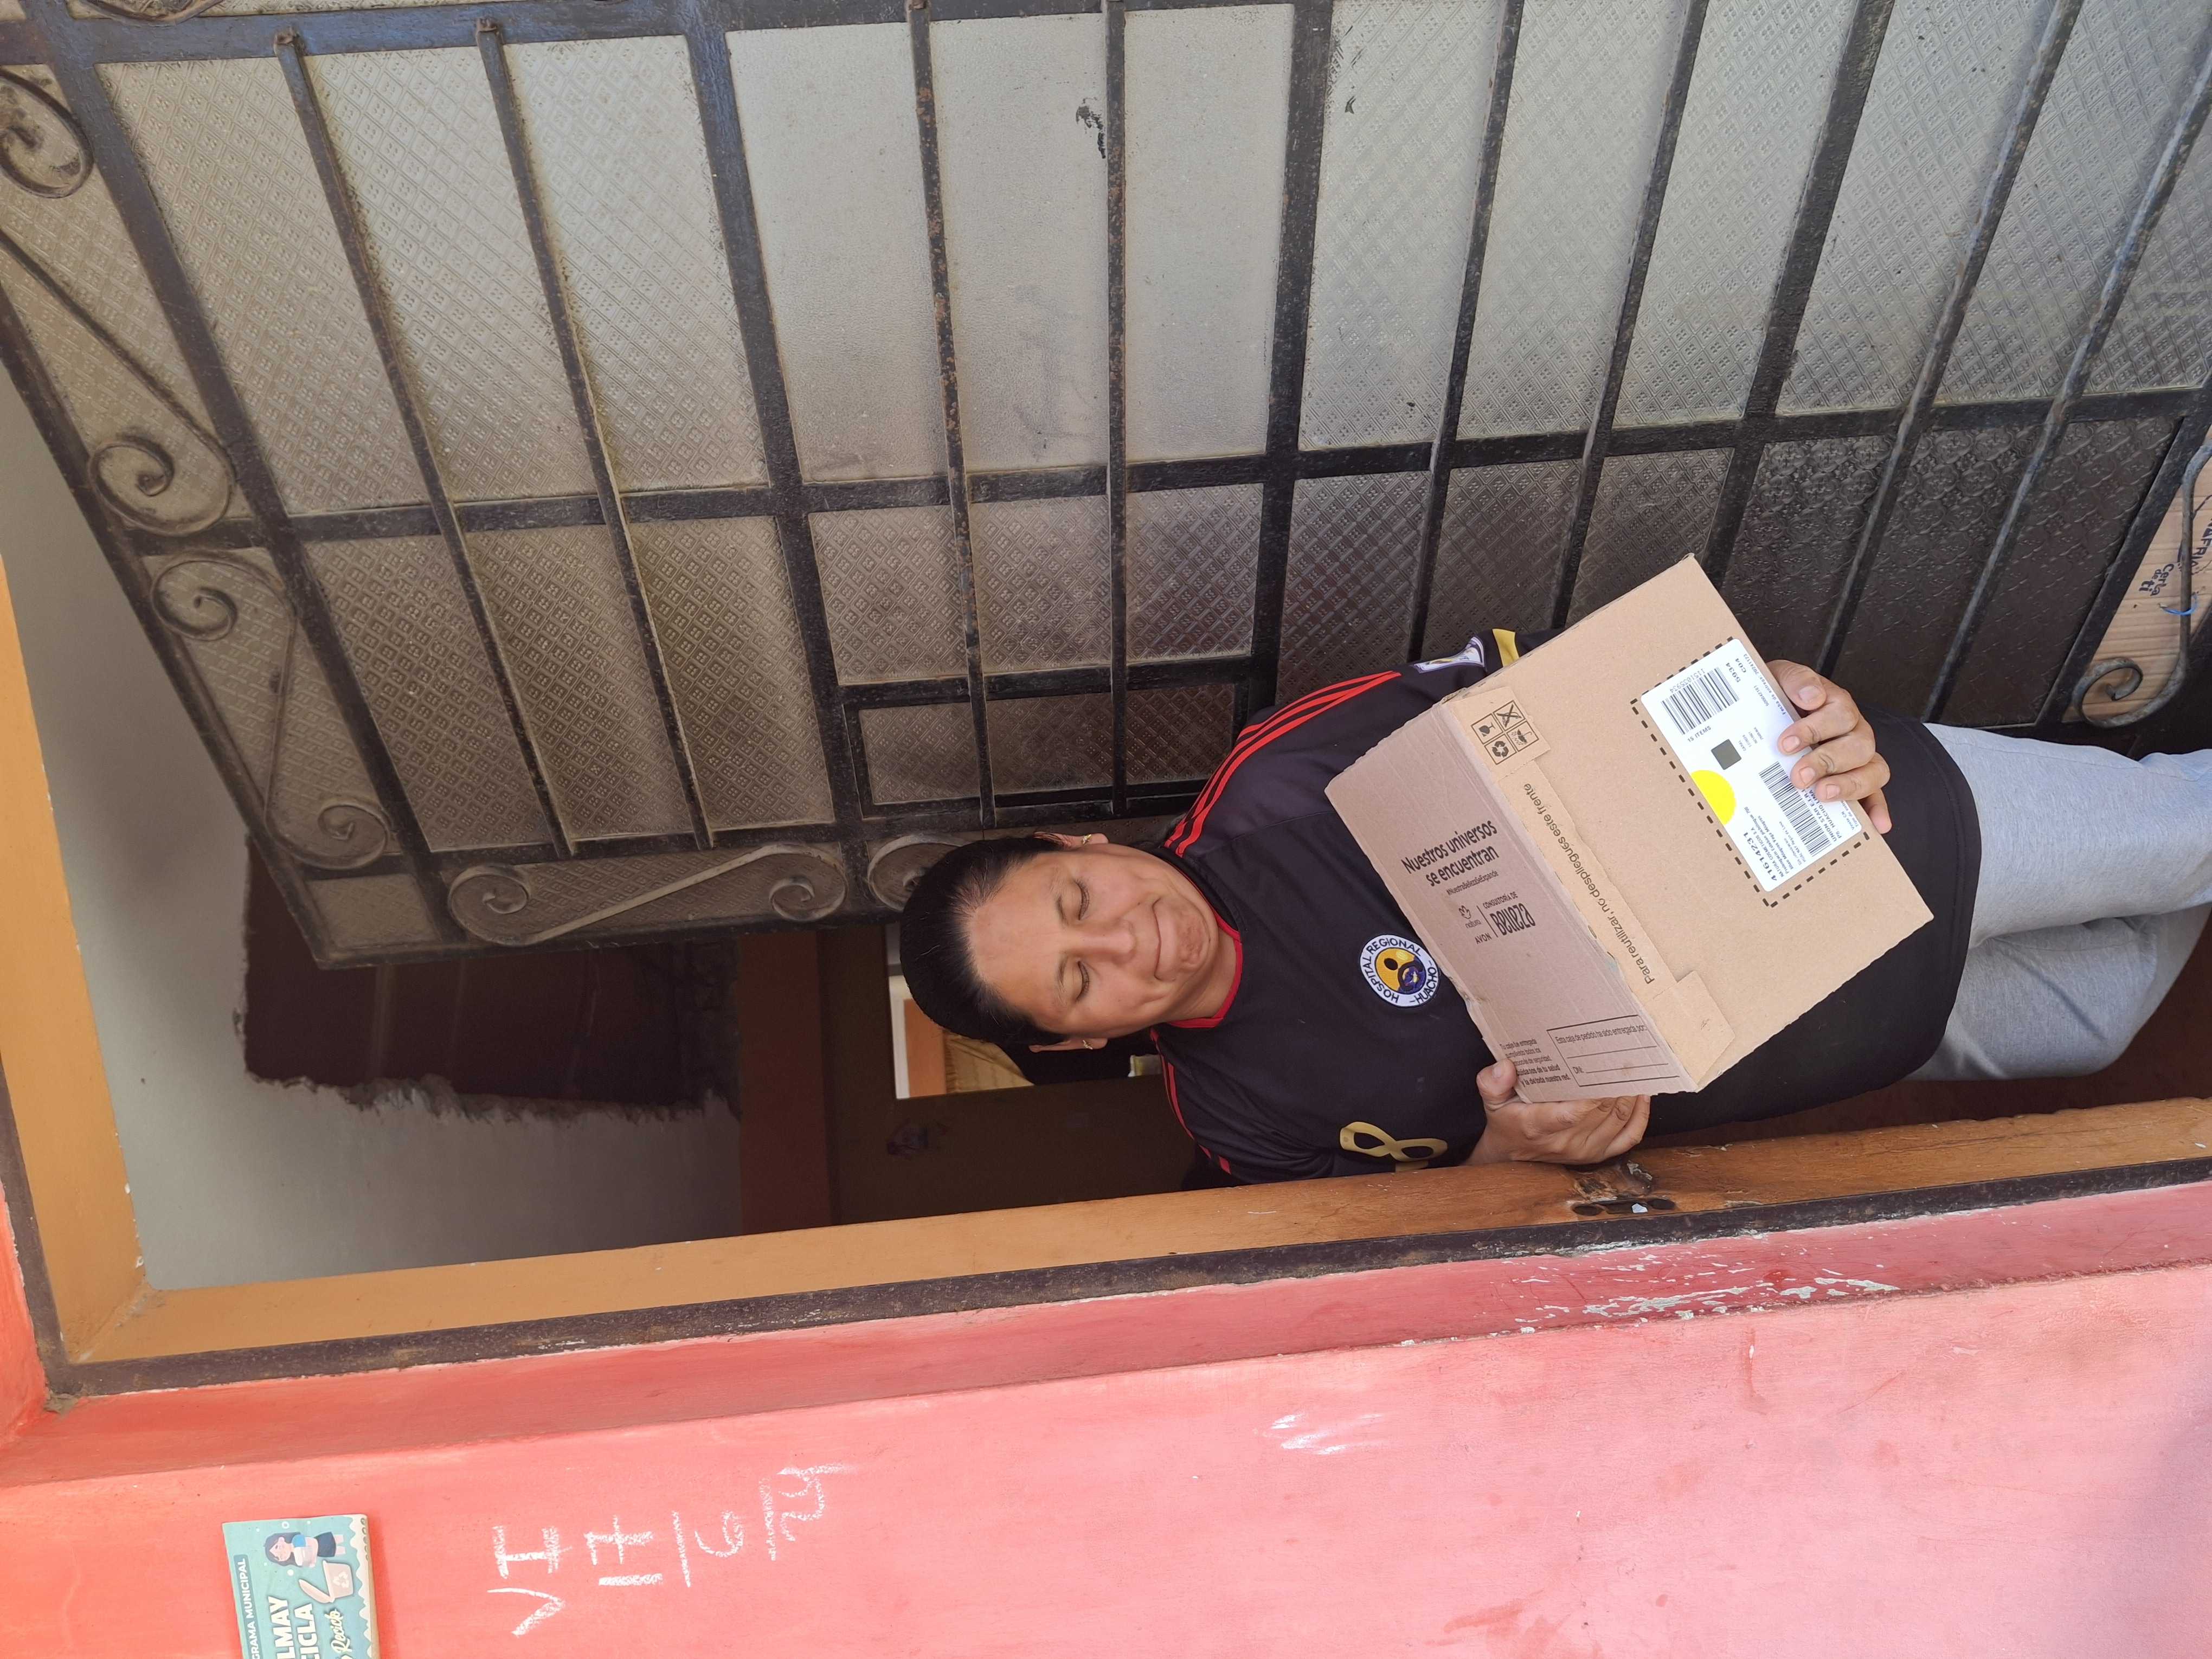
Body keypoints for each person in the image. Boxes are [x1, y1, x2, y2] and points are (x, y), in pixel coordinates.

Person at [902, 629, 2212, 1182]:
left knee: (2190, 835)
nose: (1123, 935)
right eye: (1078, 977)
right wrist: (1520, 1151)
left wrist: (1775, 696)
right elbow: (1449, 1228)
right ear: (1082, 1039)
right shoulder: (1242, 1125)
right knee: (2102, 1009)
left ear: (1079, 842)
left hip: (1870, 837)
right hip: (1852, 1034)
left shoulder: (1276, 787)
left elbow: (1578, 692)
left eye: (1077, 896)